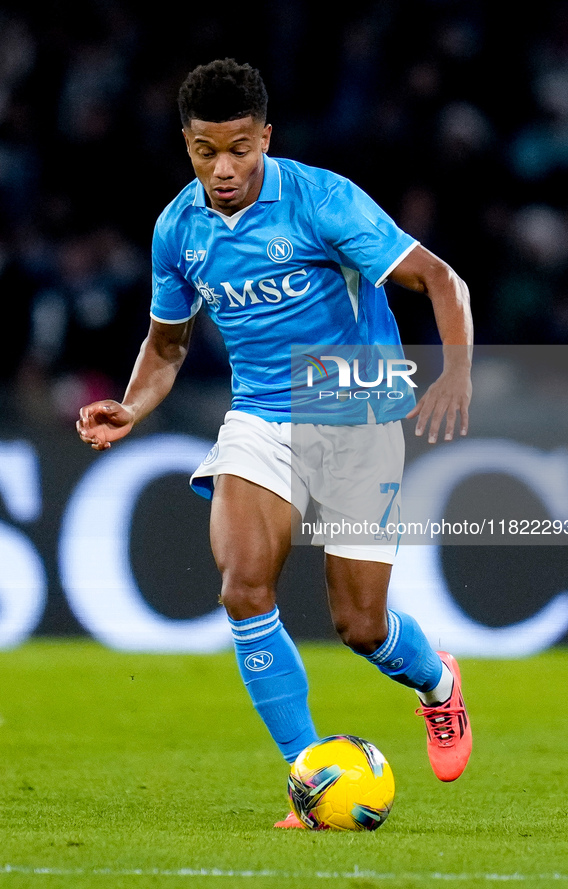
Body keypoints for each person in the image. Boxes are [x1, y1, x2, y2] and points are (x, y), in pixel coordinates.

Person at [77, 58, 473, 828]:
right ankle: (309, 771)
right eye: (203, 151)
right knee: (242, 586)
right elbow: (166, 347)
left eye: (237, 149)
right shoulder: (177, 228)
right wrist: (132, 405)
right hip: (260, 416)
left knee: (360, 625)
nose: (221, 169)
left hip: (355, 409)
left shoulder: (323, 201)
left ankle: (436, 685)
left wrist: (455, 374)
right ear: (186, 144)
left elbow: (439, 279)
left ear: (264, 137)